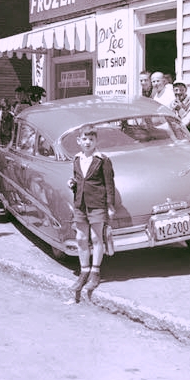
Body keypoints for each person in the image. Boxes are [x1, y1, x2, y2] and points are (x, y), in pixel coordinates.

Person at [67, 125, 116, 303]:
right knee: (81, 238)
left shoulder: (102, 160)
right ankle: (84, 270)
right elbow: (79, 179)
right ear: (79, 141)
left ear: (96, 141)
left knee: (96, 238)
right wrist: (73, 183)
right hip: (80, 204)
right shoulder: (76, 159)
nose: (88, 142)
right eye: (84, 139)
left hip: (97, 204)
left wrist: (110, 205)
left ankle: (95, 272)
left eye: (91, 139)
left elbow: (109, 184)